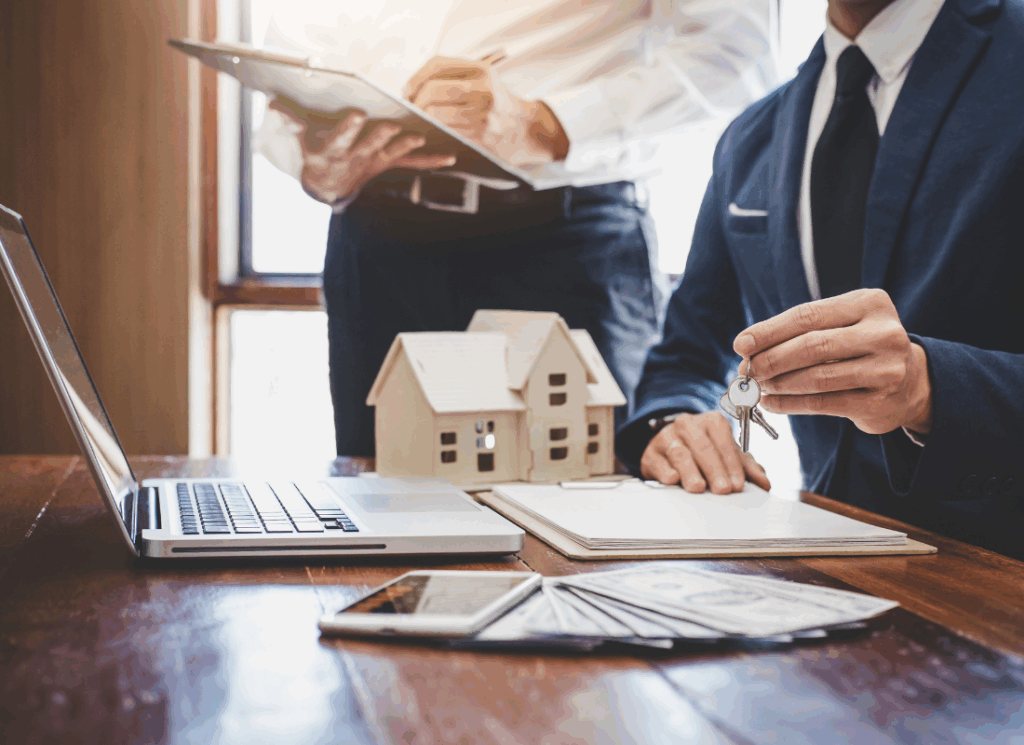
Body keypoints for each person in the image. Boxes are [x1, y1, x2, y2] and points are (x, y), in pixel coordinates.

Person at [254, 0, 777, 457]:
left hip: (561, 240)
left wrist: (544, 122)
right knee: (383, 498)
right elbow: (297, 53)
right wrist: (309, 160)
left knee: (591, 505)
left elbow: (736, 57)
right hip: (375, 235)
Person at [615, 0, 1024, 558]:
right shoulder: (751, 137)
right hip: (826, 574)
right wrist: (676, 423)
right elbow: (687, 355)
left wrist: (930, 389)